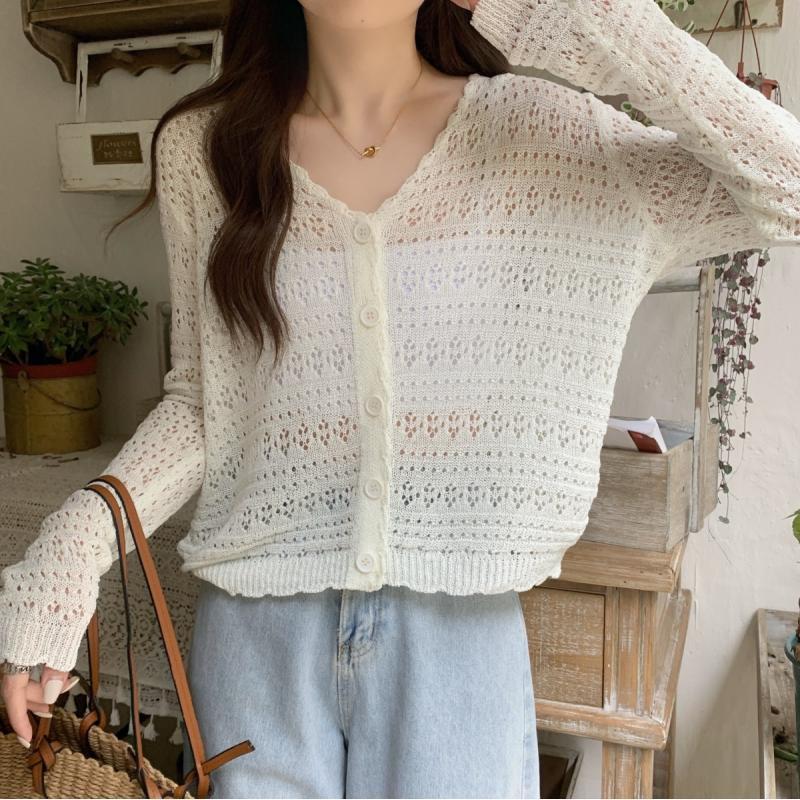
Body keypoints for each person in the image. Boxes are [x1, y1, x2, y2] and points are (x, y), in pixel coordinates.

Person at [2, 0, 800, 797]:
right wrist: (70, 551)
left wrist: (581, 20)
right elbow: (207, 405)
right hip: (255, 642)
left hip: (457, 640)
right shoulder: (206, 147)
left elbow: (788, 187)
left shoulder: (550, 135)